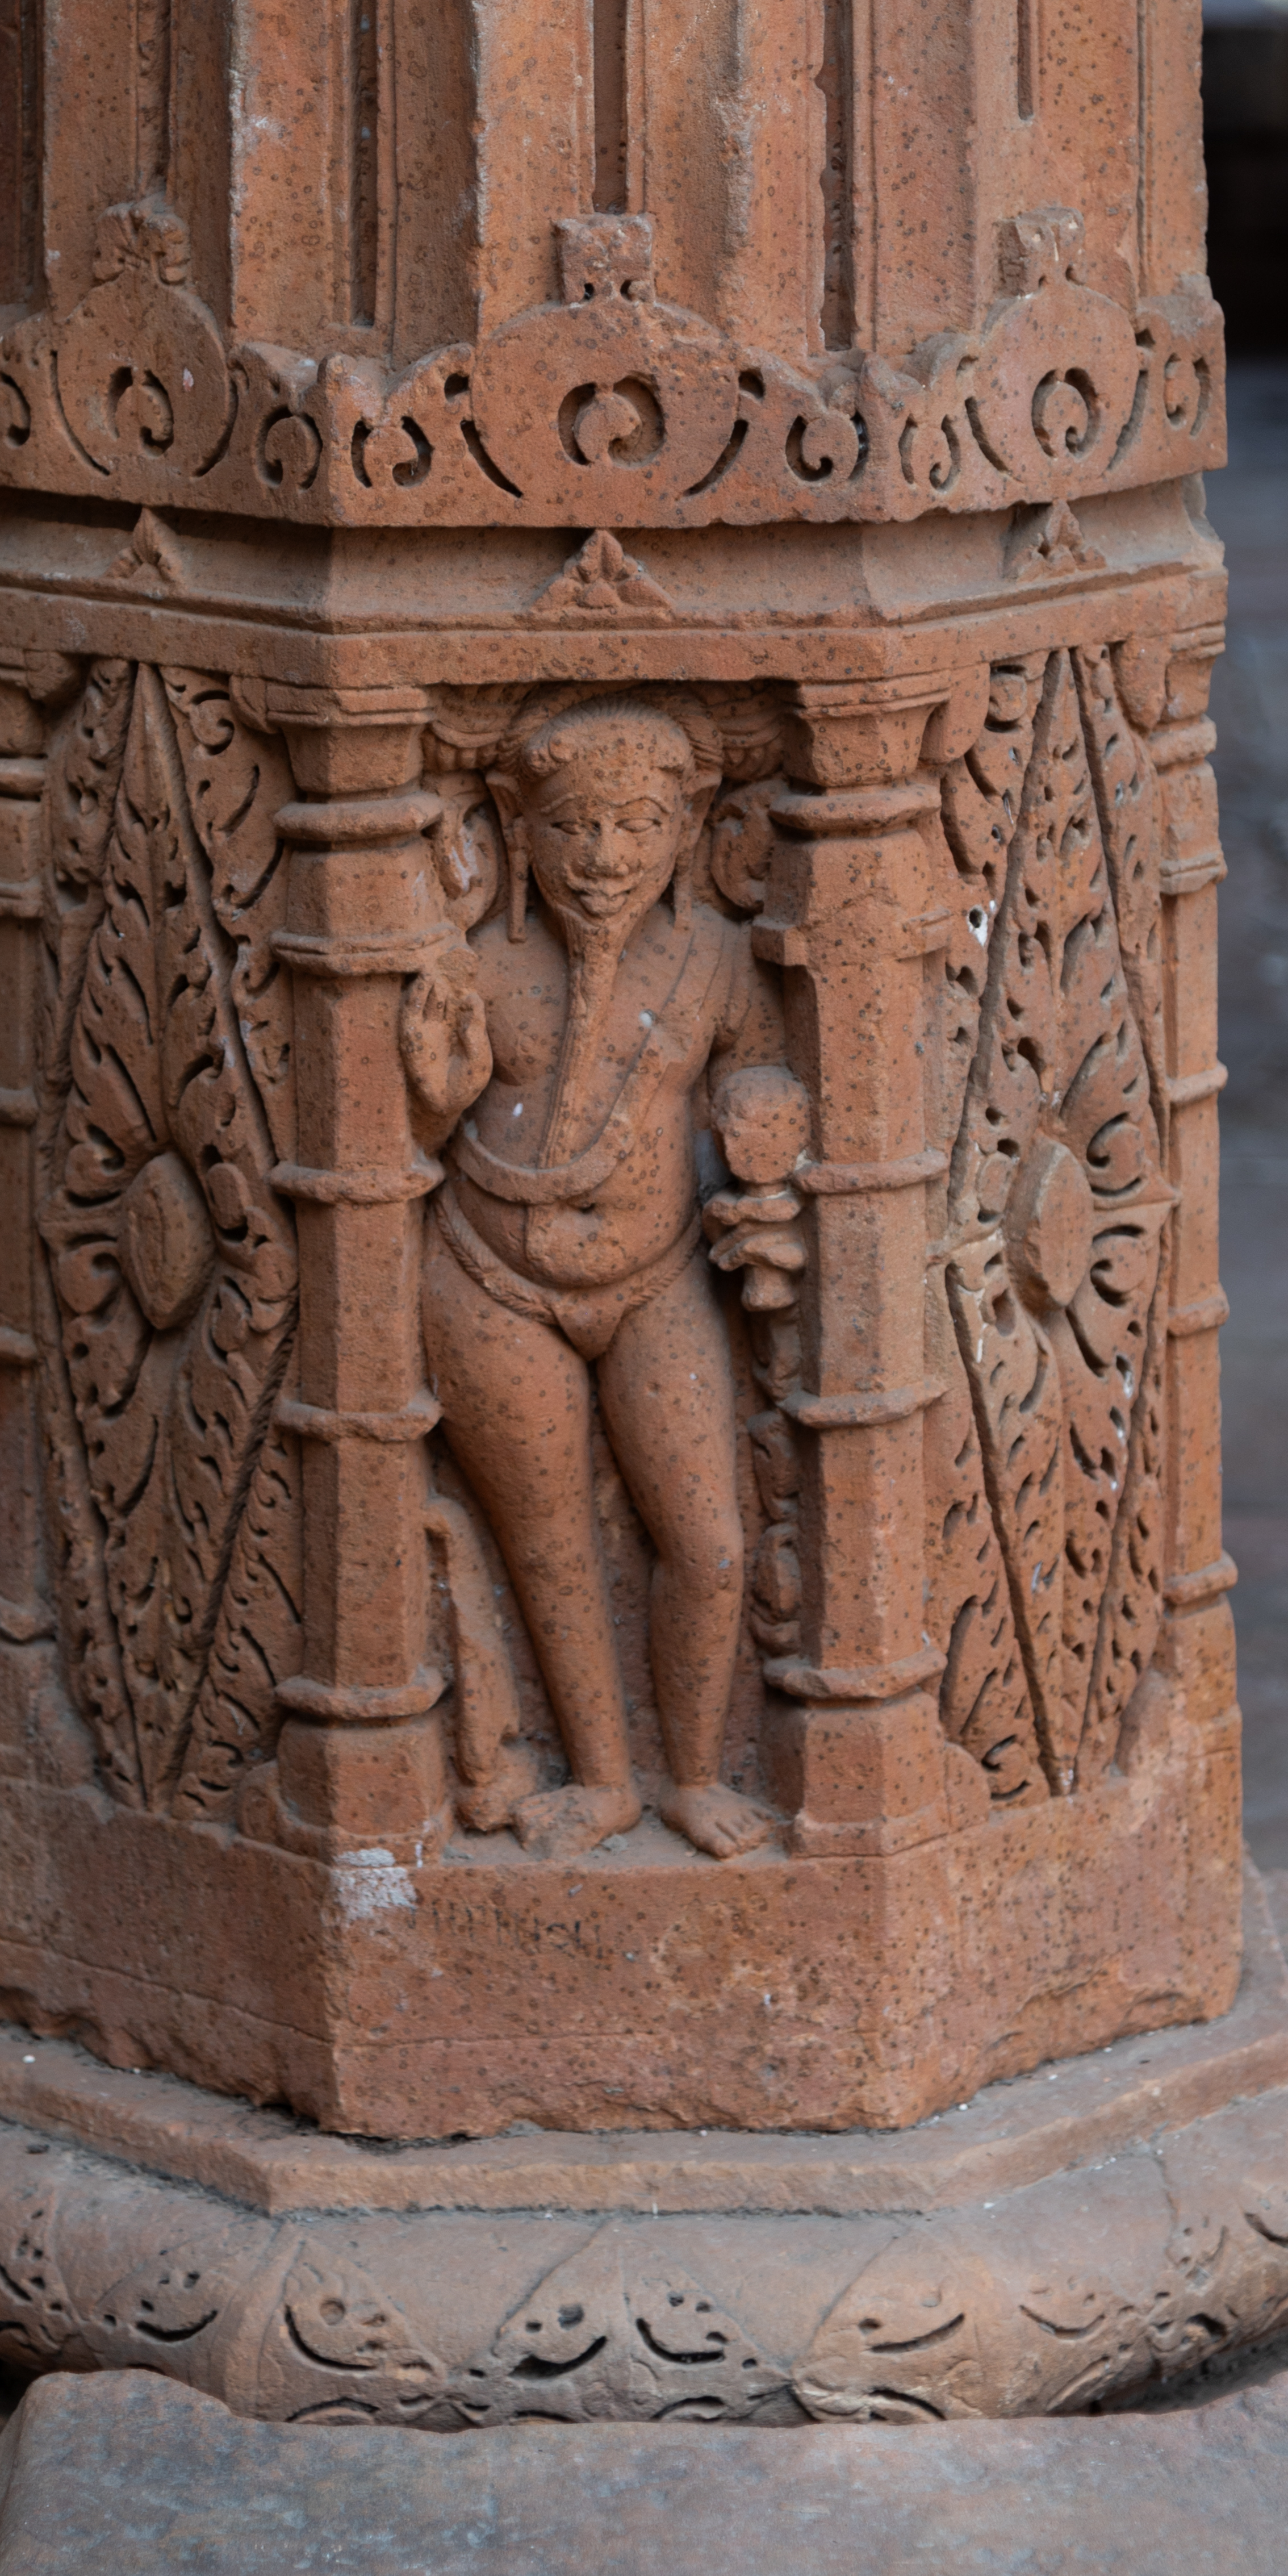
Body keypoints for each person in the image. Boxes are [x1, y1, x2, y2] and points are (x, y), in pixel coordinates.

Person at [398, 695, 804, 1861]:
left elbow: (765, 1067)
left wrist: (760, 1117)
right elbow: (417, 1133)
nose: (603, 861)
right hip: (490, 1276)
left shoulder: (714, 963)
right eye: (573, 829)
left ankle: (691, 1774)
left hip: (651, 1274)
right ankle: (603, 1778)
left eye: (634, 828)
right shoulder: (482, 963)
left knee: (709, 1542)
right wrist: (435, 1086)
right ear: (518, 836)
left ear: (685, 833)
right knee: (548, 1542)